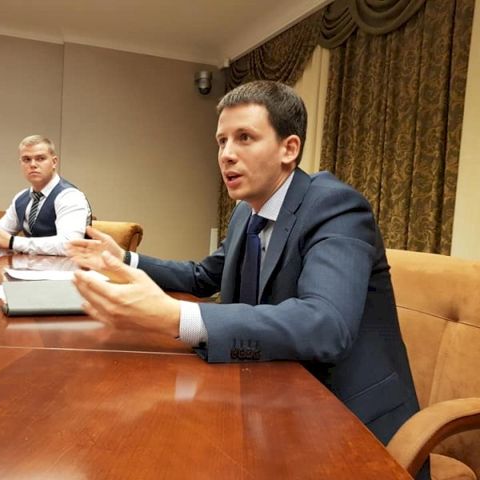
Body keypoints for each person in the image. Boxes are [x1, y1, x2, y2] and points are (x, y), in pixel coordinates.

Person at [69, 80, 428, 477]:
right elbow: (204, 276)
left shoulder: (335, 206)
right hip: (272, 397)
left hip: (348, 421)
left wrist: (177, 317)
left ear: (289, 149)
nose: (226, 154)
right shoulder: (246, 212)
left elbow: (326, 324)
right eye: (221, 141)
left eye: (244, 138)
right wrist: (125, 258)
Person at [0, 135, 91, 255]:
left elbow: (70, 245)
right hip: (29, 265)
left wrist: (13, 242)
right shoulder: (21, 198)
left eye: (40, 158)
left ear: (54, 162)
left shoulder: (70, 196)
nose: (33, 164)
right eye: (27, 159)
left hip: (68, 266)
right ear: (21, 163)